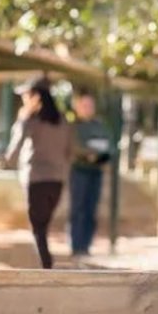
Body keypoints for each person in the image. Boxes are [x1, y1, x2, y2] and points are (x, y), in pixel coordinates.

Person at [4, 76, 73, 269]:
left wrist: (22, 119)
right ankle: (45, 264)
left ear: (36, 98)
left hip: (36, 180)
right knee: (43, 225)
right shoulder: (63, 122)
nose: (23, 100)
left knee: (38, 229)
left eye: (26, 96)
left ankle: (46, 266)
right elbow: (70, 151)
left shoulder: (31, 121)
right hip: (57, 181)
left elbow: (12, 153)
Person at [68, 87, 112, 257]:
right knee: (78, 209)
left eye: (90, 105)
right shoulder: (73, 127)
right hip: (79, 171)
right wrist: (89, 153)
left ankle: (85, 246)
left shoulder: (100, 125)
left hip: (96, 172)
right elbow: (75, 148)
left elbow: (107, 146)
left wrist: (97, 154)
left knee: (91, 210)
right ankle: (76, 246)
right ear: (77, 106)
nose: (88, 108)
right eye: (84, 105)